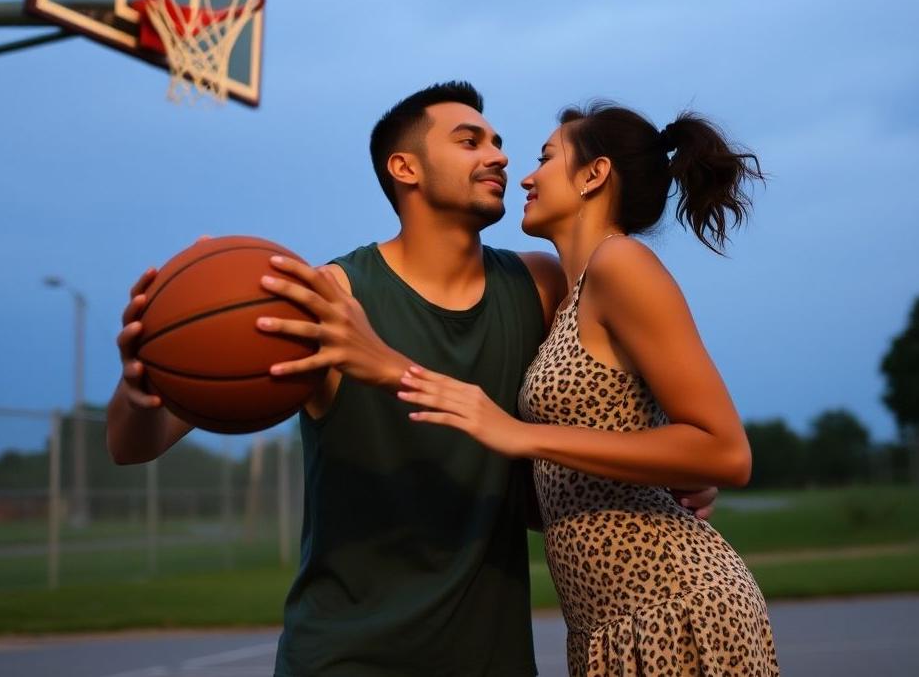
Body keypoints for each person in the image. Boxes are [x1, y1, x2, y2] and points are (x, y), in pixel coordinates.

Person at [107, 82, 716, 677]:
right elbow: (138, 444)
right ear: (406, 168)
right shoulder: (328, 300)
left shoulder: (540, 287)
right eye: (469, 140)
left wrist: (665, 475)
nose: (500, 155)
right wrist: (139, 389)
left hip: (492, 658)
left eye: (499, 142)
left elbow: (620, 417)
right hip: (345, 656)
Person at [396, 102, 779, 676]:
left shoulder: (621, 264)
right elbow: (581, 481)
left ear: (594, 175)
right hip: (606, 628)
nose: (526, 175)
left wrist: (523, 435)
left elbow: (725, 450)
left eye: (546, 158)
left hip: (671, 611)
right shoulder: (570, 298)